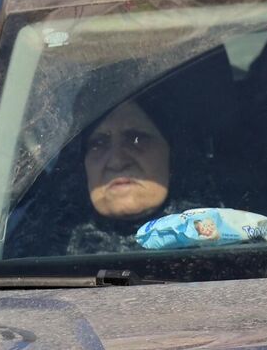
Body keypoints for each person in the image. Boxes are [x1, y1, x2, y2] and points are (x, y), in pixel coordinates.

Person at [59, 100, 214, 254]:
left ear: (174, 155)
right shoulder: (47, 247)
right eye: (98, 143)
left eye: (136, 139)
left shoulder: (218, 238)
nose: (116, 162)